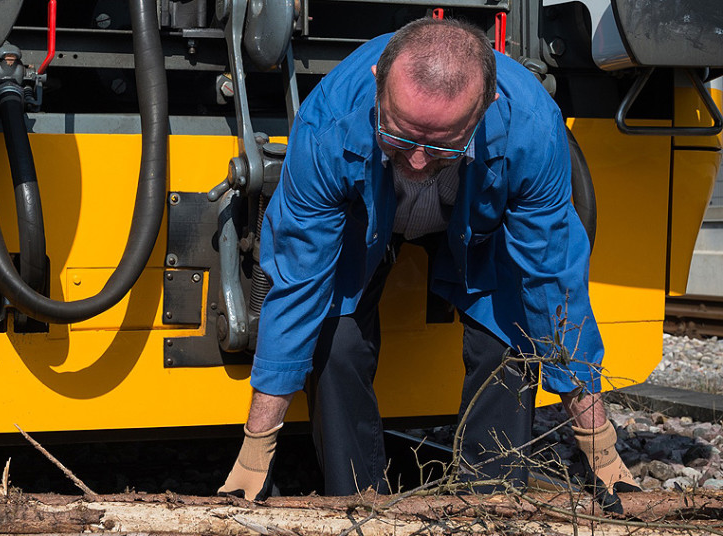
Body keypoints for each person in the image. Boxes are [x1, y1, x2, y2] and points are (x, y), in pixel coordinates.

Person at [217, 18, 639, 510]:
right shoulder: (328, 124)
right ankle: (354, 501)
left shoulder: (531, 129)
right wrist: (256, 447)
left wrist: (600, 446)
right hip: (365, 219)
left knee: (510, 333)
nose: (417, 163)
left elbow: (552, 284)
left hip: (475, 220)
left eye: (440, 144)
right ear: (378, 82)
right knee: (334, 335)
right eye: (399, 136)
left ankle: (492, 505)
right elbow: (297, 281)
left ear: (487, 106)